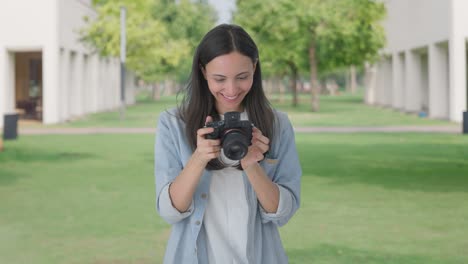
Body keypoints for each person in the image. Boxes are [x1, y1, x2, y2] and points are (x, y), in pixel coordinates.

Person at [154, 24, 301, 264]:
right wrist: (199, 157)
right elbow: (170, 212)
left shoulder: (277, 124)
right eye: (219, 79)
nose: (231, 90)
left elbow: (281, 213)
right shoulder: (173, 124)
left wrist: (252, 164)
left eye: (242, 77)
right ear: (203, 71)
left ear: (254, 68)